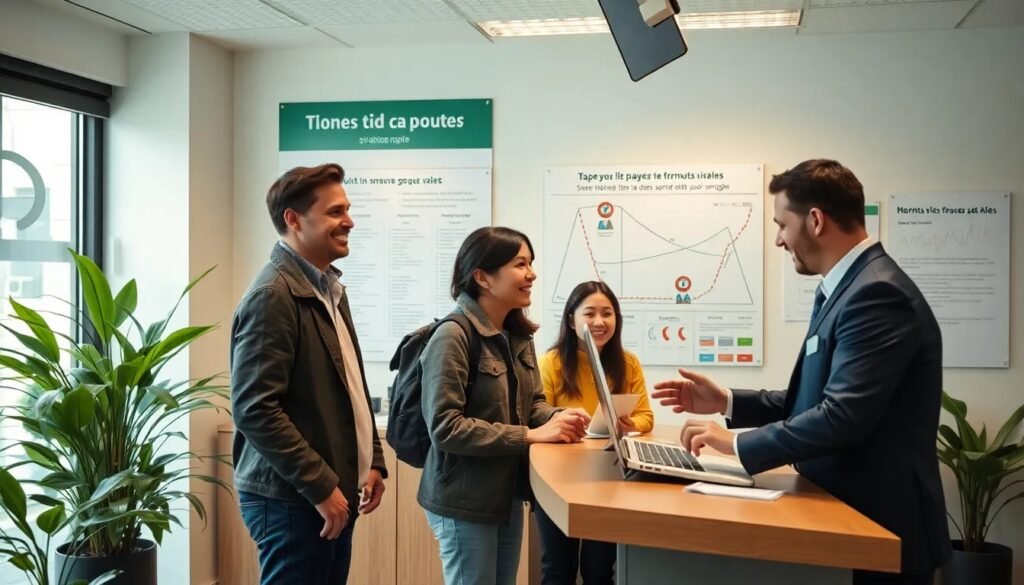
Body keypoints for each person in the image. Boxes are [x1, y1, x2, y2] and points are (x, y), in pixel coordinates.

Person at [652, 159, 950, 585]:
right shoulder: (849, 287)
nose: (778, 239)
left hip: (882, 528)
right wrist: (728, 402)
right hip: (850, 519)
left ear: (815, 220)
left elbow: (841, 416)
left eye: (781, 225)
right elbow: (818, 399)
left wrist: (735, 444)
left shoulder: (876, 293)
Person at [230, 163, 388, 585]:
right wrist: (319, 486)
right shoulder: (273, 296)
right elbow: (255, 409)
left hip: (325, 492)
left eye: (347, 210)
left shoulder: (328, 288)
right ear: (294, 220)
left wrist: (372, 459)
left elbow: (350, 384)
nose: (349, 221)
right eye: (336, 211)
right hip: (293, 498)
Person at [418, 226, 591, 585]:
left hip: (506, 495)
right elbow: (445, 428)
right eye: (520, 264)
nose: (532, 274)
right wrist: (529, 435)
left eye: (531, 263)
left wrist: (559, 417)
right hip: (464, 501)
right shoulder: (452, 336)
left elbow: (534, 404)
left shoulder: (519, 335)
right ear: (482, 277)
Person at [535, 280, 654, 584]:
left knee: (599, 571)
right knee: (557, 570)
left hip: (607, 478)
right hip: (559, 476)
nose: (600, 321)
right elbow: (538, 414)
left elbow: (646, 417)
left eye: (607, 313)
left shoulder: (628, 363)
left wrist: (629, 425)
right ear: (571, 320)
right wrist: (562, 421)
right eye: (590, 313)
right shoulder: (550, 362)